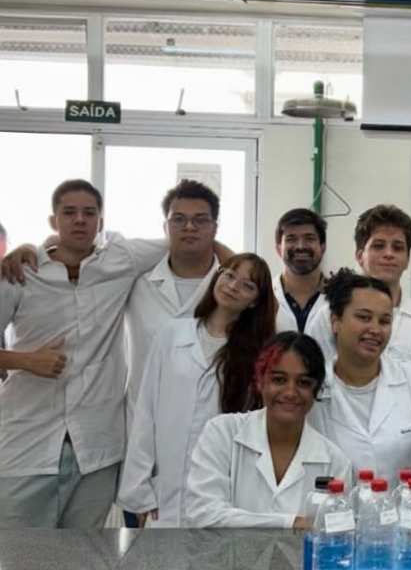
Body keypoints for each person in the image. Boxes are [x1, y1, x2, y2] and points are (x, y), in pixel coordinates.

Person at [0, 179, 167, 528]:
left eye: (89, 213)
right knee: (18, 554)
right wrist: (25, 360)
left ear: (100, 222)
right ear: (53, 221)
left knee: (83, 555)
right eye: (69, 212)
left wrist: (234, 262)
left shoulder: (120, 261)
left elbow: (187, 240)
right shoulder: (19, 273)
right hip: (27, 447)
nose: (79, 220)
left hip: (96, 450)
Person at [118, 254, 276, 527]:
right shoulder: (172, 334)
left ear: (255, 302)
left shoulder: (257, 354)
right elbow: (146, 412)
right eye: (229, 275)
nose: (233, 286)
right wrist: (139, 490)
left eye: (247, 285)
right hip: (164, 492)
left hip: (224, 491)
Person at [185, 331, 350, 527]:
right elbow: (203, 515)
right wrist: (290, 524)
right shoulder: (222, 433)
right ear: (260, 381)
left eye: (303, 383)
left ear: (316, 390)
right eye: (279, 380)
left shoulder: (335, 462)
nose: (290, 393)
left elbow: (336, 532)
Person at [306, 268, 411, 485]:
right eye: (364, 317)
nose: (375, 329)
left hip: (404, 506)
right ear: (335, 321)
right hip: (333, 506)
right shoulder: (313, 391)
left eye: (384, 321)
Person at [307, 204, 411, 385]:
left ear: (408, 259)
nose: (389, 254)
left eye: (398, 248)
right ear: (360, 256)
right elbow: (312, 377)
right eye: (379, 246)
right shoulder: (328, 315)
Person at [125, 179, 222, 418]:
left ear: (215, 228)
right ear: (165, 227)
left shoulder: (230, 290)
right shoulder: (136, 284)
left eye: (200, 220)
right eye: (178, 219)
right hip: (144, 421)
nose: (189, 227)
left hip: (211, 422)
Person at [272, 207, 329, 334]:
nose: (301, 246)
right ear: (278, 249)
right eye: (291, 239)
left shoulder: (342, 297)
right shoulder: (263, 296)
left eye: (309, 238)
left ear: (323, 248)